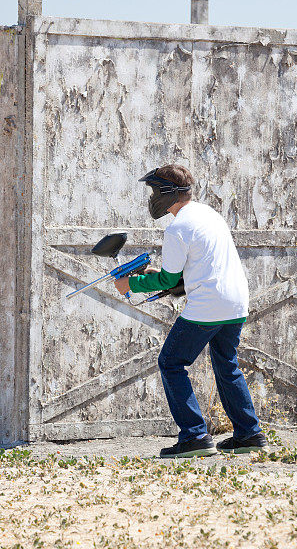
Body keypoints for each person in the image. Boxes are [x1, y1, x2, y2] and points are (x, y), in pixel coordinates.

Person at [114, 164, 267, 459]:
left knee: (171, 362)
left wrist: (130, 283)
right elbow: (191, 271)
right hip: (236, 301)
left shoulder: (177, 227)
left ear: (167, 193)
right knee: (226, 363)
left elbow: (169, 280)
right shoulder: (208, 214)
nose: (152, 197)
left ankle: (195, 436)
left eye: (154, 191)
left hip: (208, 304)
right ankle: (249, 433)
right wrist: (158, 277)